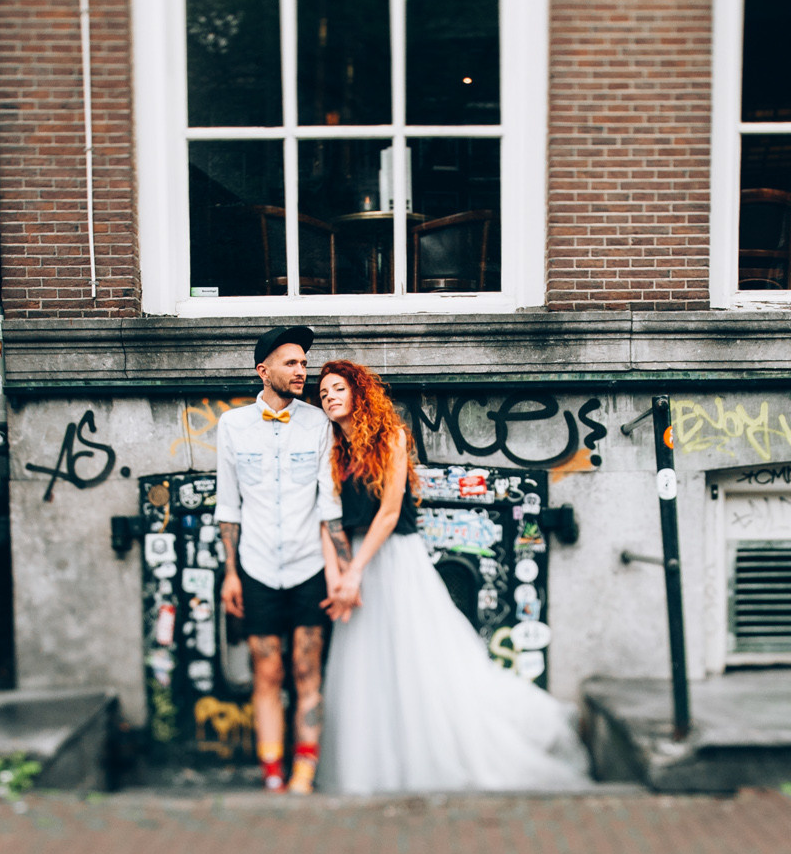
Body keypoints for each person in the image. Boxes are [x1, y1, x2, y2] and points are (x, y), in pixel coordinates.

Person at [315, 359, 590, 794]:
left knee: (417, 663)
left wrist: (356, 572)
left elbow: (388, 513)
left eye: (337, 388)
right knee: (368, 670)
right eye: (323, 392)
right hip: (356, 567)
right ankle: (380, 768)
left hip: (393, 561)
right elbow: (328, 518)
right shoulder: (332, 450)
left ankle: (433, 759)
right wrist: (339, 574)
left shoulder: (391, 438)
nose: (329, 396)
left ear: (358, 394)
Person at [215, 325, 341, 793]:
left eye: (304, 363)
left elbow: (330, 503)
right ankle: (272, 776)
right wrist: (231, 573)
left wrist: (337, 570)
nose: (301, 371)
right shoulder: (232, 426)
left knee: (307, 671)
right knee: (266, 672)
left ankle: (304, 775)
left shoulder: (320, 423)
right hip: (256, 566)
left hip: (310, 565)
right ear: (262, 370)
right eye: (292, 363)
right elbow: (228, 505)